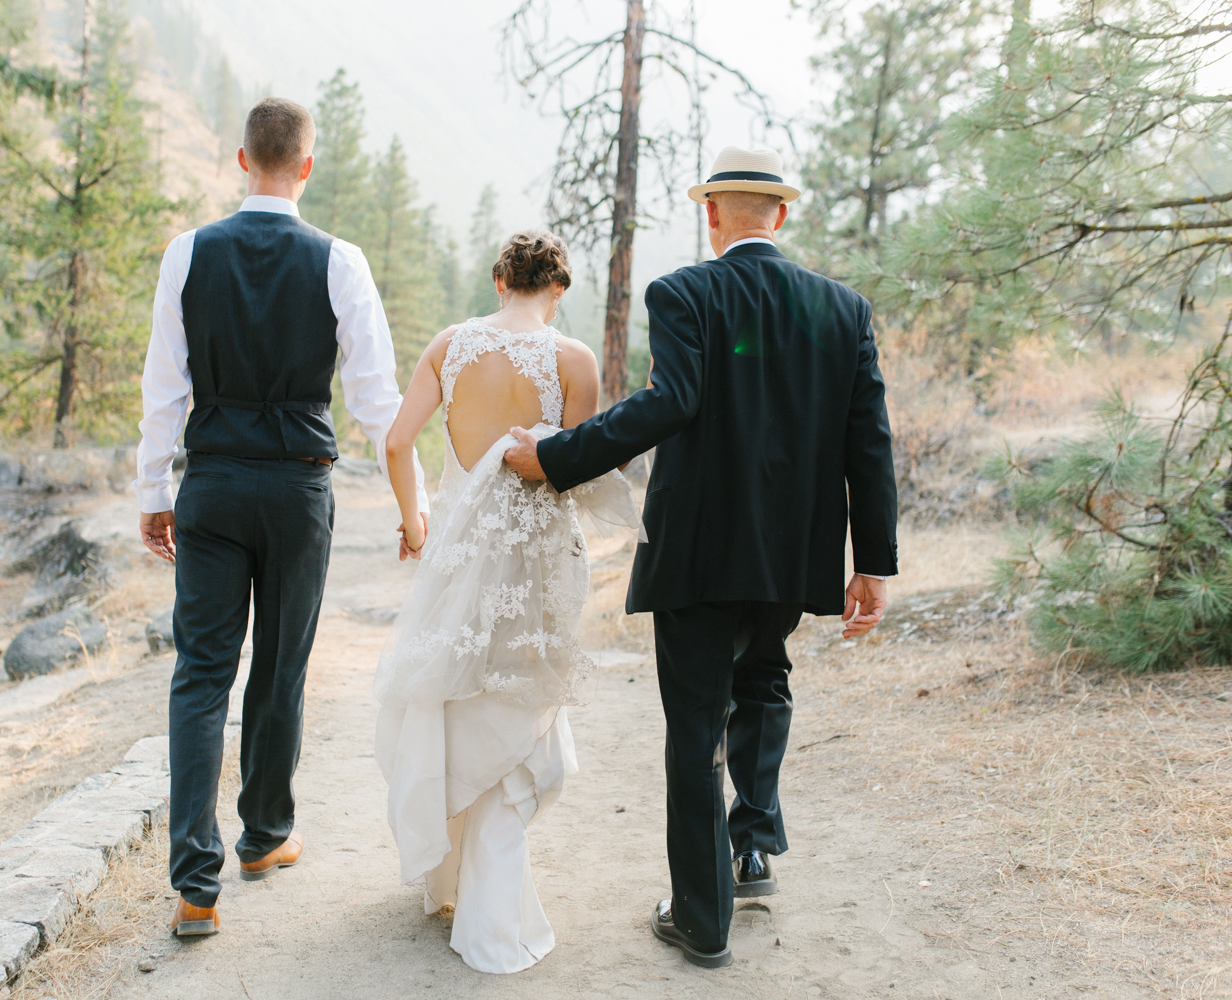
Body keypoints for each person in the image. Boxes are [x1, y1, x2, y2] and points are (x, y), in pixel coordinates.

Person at [504, 145, 900, 968]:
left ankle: (703, 917)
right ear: (780, 215)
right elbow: (870, 442)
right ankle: (751, 850)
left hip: (698, 548)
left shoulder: (684, 292)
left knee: (695, 728)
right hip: (792, 551)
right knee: (764, 678)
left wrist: (559, 456)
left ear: (711, 213)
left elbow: (670, 402)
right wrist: (874, 562)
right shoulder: (843, 310)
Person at [135, 97, 429, 937]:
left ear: (240, 161)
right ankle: (265, 836)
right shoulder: (341, 260)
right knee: (280, 666)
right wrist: (415, 510)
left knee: (200, 675)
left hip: (215, 485)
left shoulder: (188, 253)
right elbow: (380, 405)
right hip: (300, 490)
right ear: (305, 166)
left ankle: (197, 883)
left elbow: (165, 385)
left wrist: (154, 492)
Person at [375, 231, 641, 973]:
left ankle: (447, 878)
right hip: (538, 557)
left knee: (455, 702)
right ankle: (491, 908)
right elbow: (583, 468)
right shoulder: (574, 360)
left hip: (458, 554)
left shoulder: (449, 345)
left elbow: (399, 442)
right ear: (558, 288)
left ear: (499, 280)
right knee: (516, 711)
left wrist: (416, 522)